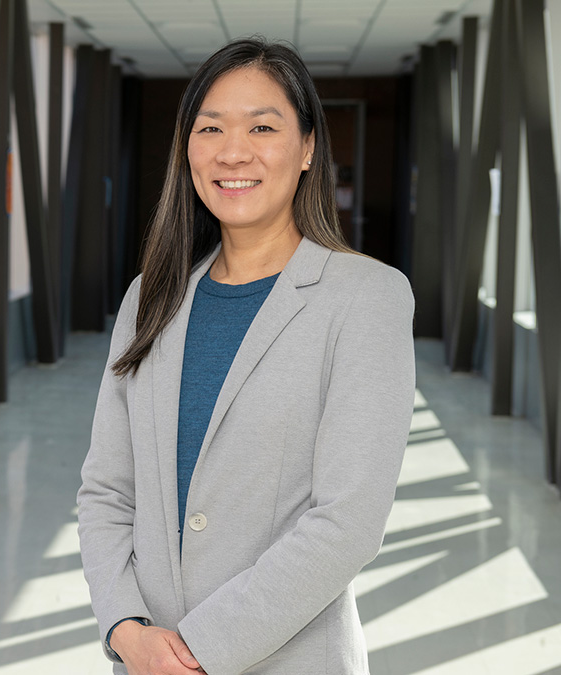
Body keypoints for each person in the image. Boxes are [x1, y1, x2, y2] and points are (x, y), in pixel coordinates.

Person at [76, 38, 415, 675]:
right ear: (188, 149)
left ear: (309, 147)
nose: (234, 151)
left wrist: (199, 652)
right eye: (211, 129)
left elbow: (349, 520)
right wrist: (125, 630)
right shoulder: (150, 297)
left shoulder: (367, 298)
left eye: (263, 126)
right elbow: (106, 492)